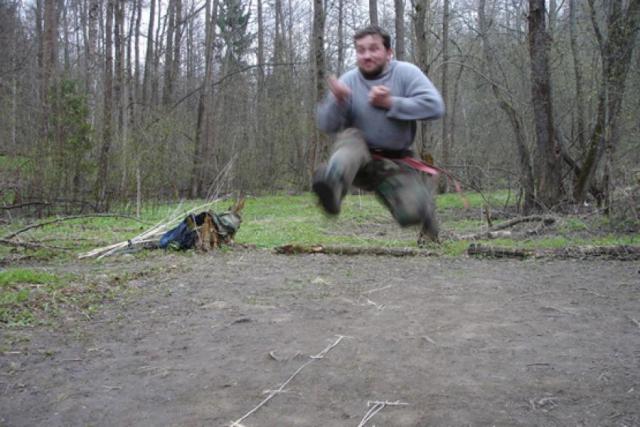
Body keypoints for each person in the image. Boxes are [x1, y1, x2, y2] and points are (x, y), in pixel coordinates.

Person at [313, 24, 445, 244]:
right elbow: (326, 124)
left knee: (412, 213)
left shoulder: (406, 73)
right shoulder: (348, 81)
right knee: (352, 138)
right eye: (361, 50)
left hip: (394, 162)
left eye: (374, 49)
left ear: (388, 52)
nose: (366, 55)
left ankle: (418, 212)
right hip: (357, 161)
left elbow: (436, 107)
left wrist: (390, 102)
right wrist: (338, 102)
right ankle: (332, 188)